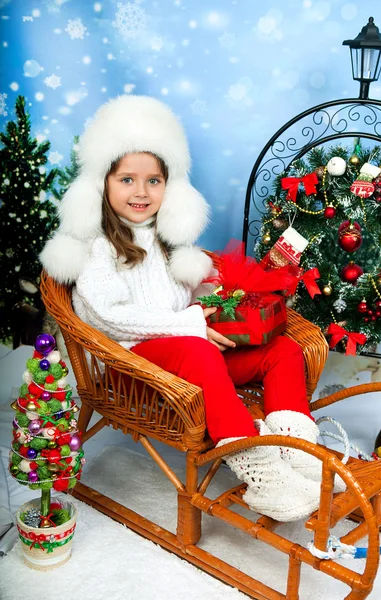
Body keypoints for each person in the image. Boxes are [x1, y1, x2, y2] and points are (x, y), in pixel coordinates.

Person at [41, 95, 342, 523]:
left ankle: (294, 451)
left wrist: (223, 297)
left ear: (170, 186)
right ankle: (260, 471)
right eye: (127, 180)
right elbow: (106, 314)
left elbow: (194, 293)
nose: (141, 192)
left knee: (284, 352)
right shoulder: (97, 246)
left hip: (191, 358)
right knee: (198, 350)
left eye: (154, 181)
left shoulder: (168, 239)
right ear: (102, 183)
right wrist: (189, 324)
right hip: (134, 370)